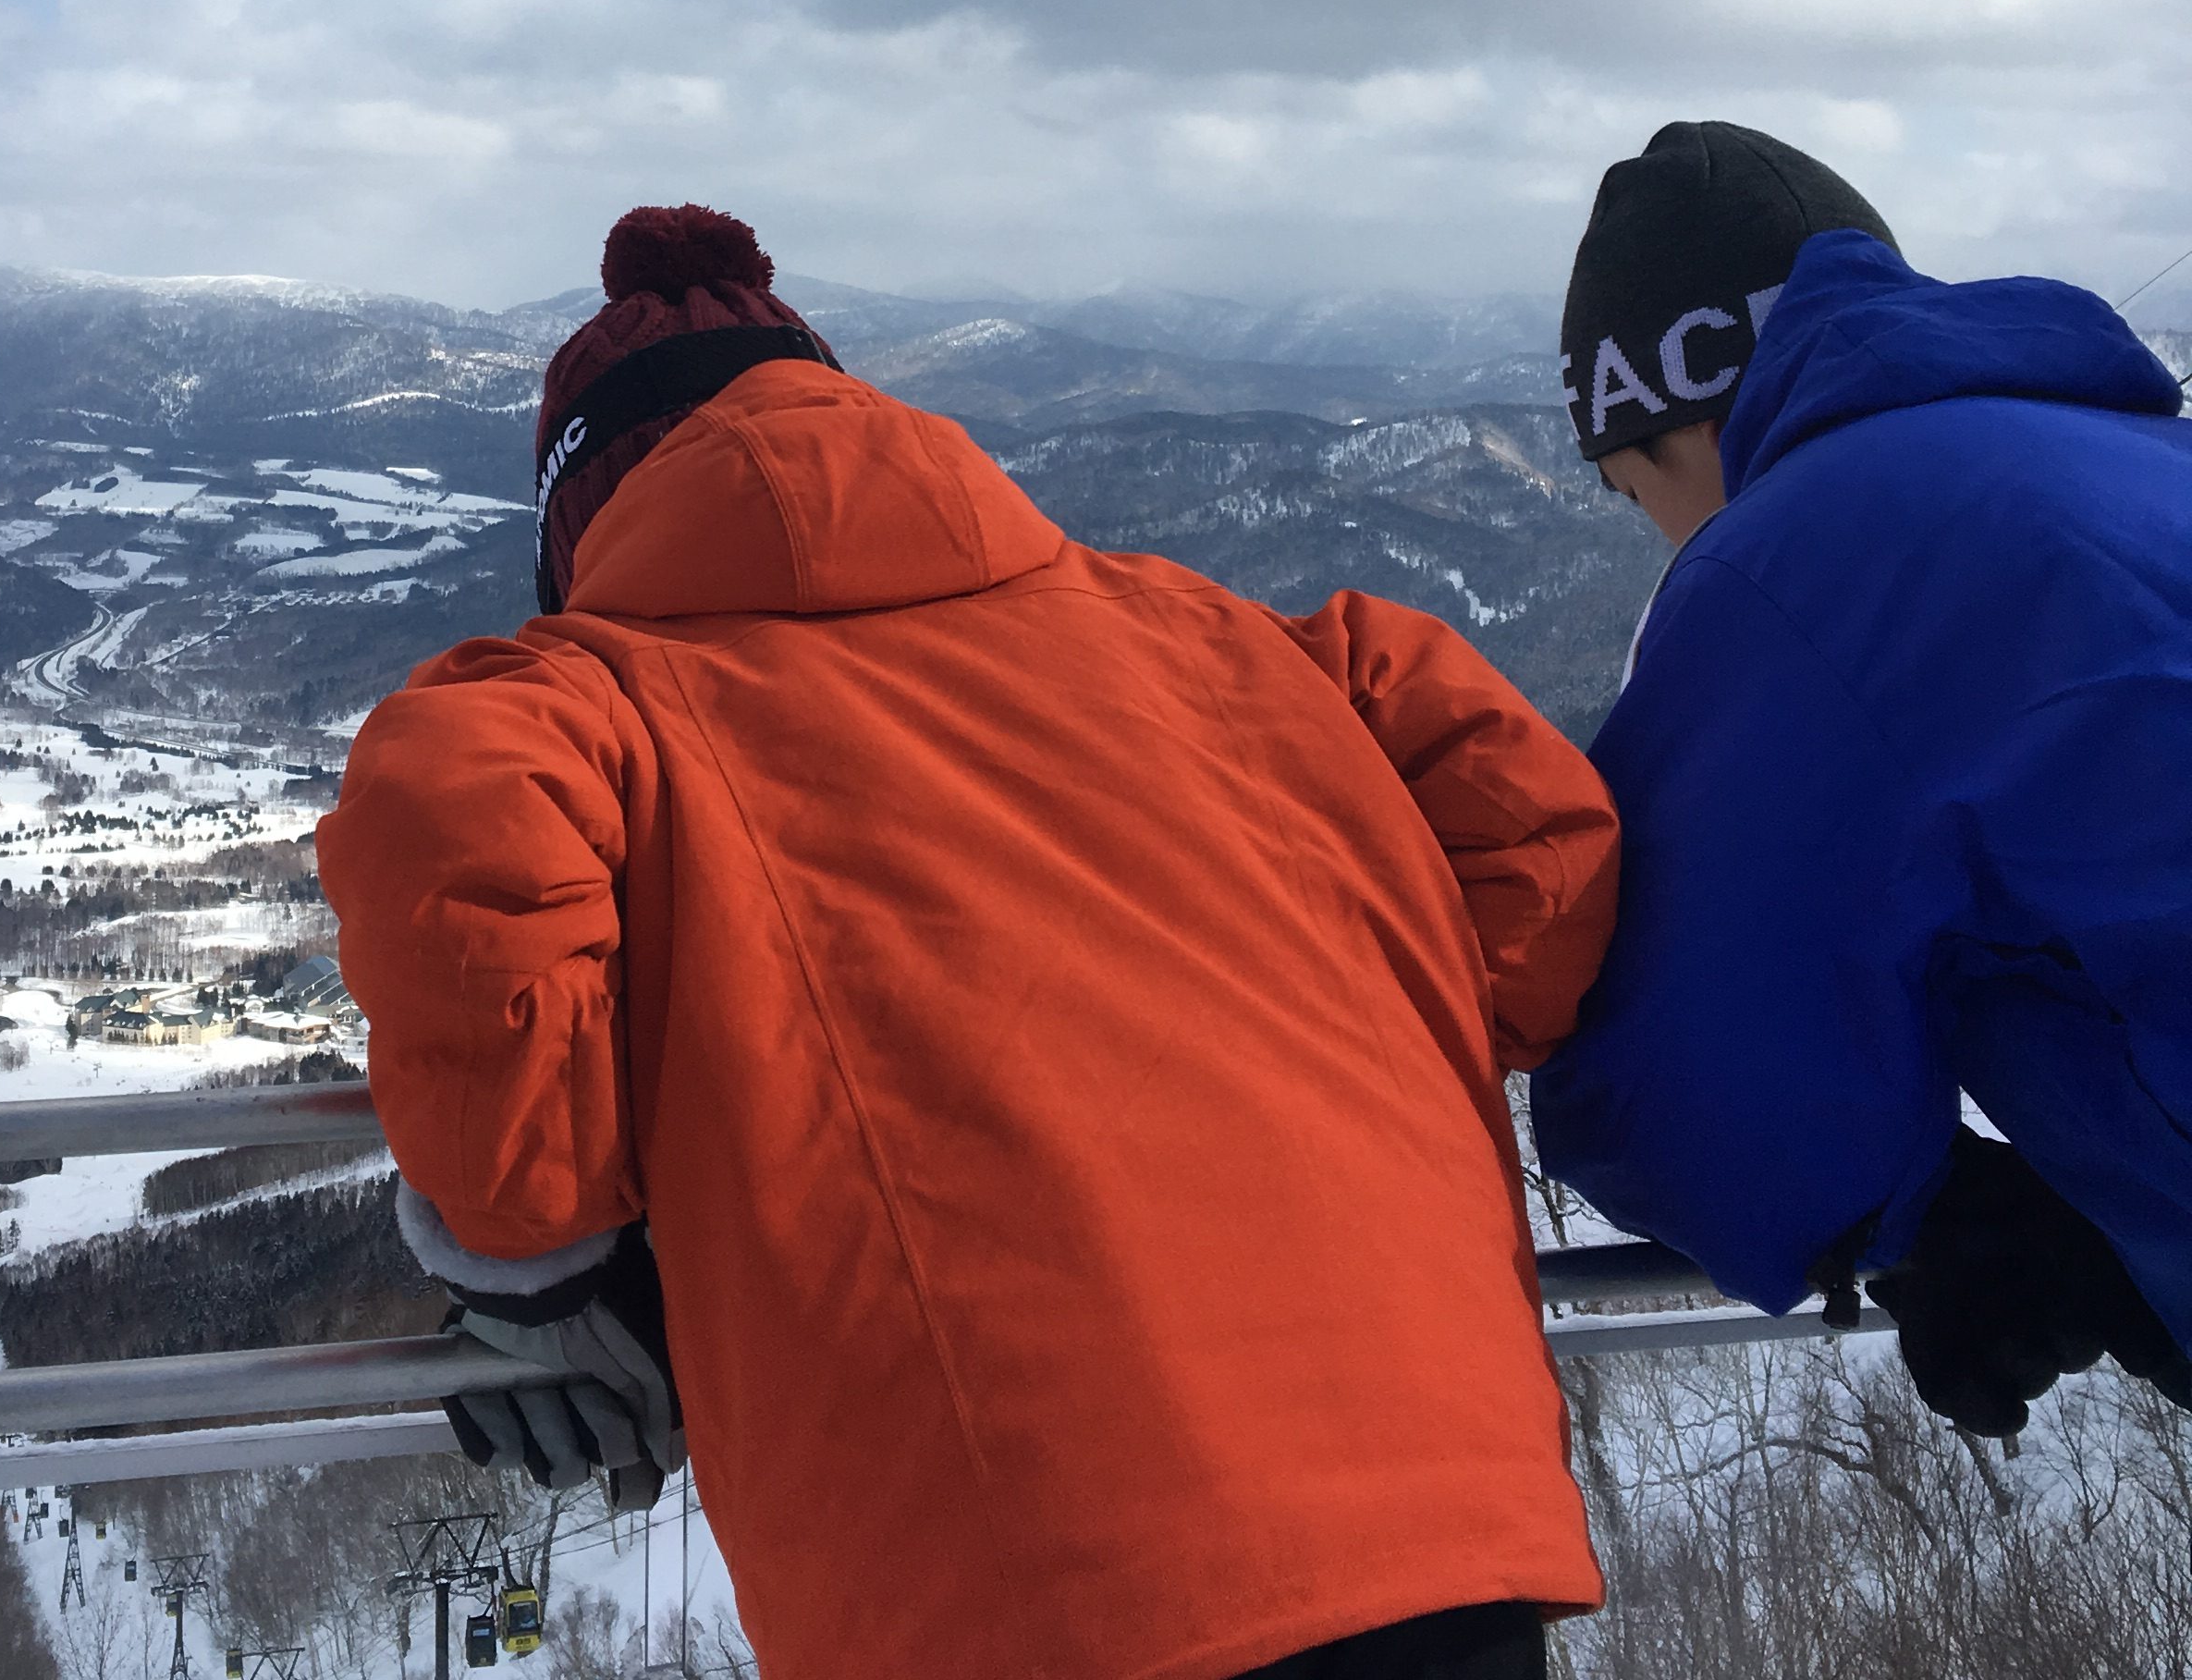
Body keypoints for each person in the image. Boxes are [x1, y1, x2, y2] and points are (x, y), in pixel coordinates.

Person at [316, 202, 1620, 1680]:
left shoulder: (594, 698)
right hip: (1448, 1525)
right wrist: (1387, 1023)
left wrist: (542, 1258)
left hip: (1032, 1587)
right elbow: (1534, 841)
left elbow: (448, 818)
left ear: (585, 526)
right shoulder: (1228, 640)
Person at [1530, 120, 2192, 1440]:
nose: (1660, 531)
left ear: (1672, 425)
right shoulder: (2146, 461)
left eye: (1628, 488)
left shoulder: (1789, 572)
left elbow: (1673, 1075)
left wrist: (1937, 1218)